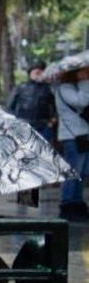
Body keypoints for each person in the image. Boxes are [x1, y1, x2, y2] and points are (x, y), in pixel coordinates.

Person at [53, 66, 89, 221]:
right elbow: (82, 102)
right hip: (72, 136)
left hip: (82, 134)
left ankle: (77, 202)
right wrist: (85, 82)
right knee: (74, 170)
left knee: (82, 171)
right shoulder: (65, 88)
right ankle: (68, 203)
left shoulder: (74, 87)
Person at [7, 63, 56, 146]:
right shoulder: (21, 87)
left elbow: (56, 107)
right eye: (37, 73)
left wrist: (52, 121)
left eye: (41, 73)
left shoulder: (49, 88)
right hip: (24, 124)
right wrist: (15, 121)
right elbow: (10, 106)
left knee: (44, 150)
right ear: (30, 74)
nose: (39, 75)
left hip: (43, 125)